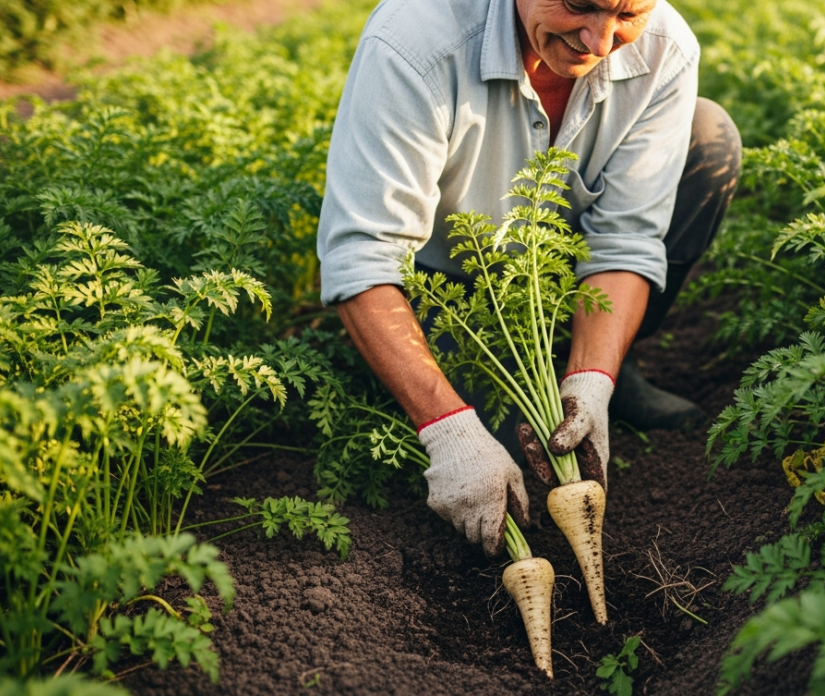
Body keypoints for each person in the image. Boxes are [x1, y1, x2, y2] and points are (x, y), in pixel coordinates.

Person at [316, 0, 741, 557]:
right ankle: (420, 376)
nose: (600, 41)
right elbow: (366, 252)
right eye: (579, 5)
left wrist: (594, 375)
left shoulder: (666, 46)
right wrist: (447, 428)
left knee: (709, 136)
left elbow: (626, 238)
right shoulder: (415, 39)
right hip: (448, 293)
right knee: (506, 467)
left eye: (629, 14)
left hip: (558, 278)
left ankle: (604, 368)